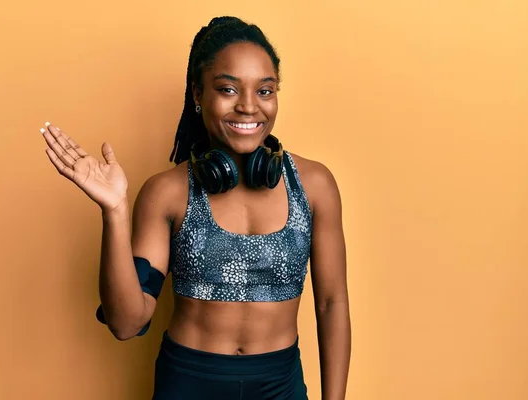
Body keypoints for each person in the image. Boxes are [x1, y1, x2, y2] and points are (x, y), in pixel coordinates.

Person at [41, 16, 350, 400]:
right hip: (188, 383)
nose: (249, 107)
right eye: (228, 89)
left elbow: (331, 302)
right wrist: (115, 211)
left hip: (280, 384)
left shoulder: (315, 185)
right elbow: (125, 323)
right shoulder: (166, 193)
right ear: (198, 94)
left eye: (265, 91)